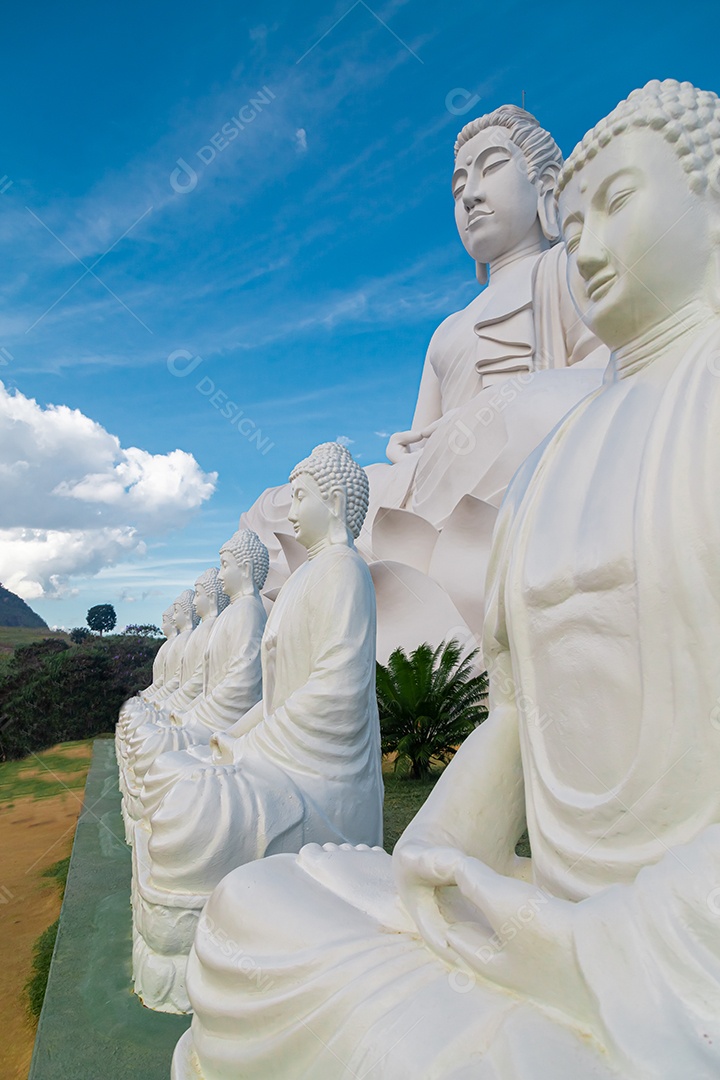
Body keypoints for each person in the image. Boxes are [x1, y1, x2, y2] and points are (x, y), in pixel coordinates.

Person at [172, 80, 720, 1079]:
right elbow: (514, 719)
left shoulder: (589, 315)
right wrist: (428, 873)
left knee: (521, 416)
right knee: (255, 911)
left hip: (660, 960)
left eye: (618, 203)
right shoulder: (499, 400)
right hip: (537, 902)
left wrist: (583, 950)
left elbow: (554, 392)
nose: (591, 243)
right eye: (579, 225)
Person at [132, 443, 383, 1014]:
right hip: (279, 753)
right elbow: (269, 697)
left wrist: (250, 747)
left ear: (334, 502)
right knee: (177, 770)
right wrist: (231, 741)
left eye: (300, 497)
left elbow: (338, 691)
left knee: (189, 800)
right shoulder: (301, 582)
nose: (289, 512)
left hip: (320, 777)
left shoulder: (345, 571)